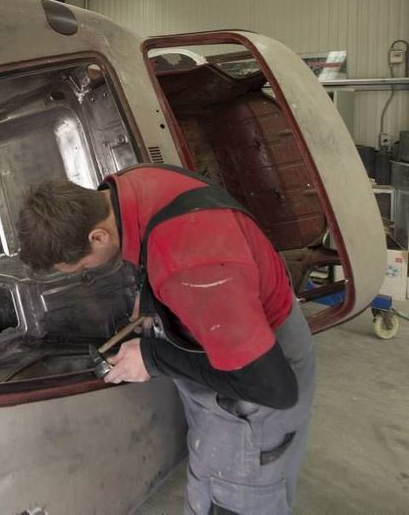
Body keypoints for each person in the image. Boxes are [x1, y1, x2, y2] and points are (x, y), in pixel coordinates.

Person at [17, 164, 315, 515]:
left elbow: (273, 387)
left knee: (234, 497)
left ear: (98, 237)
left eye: (83, 267)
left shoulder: (190, 267)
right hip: (236, 325)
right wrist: (154, 296)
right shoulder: (128, 186)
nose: (87, 272)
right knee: (208, 479)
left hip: (260, 375)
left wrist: (152, 357)